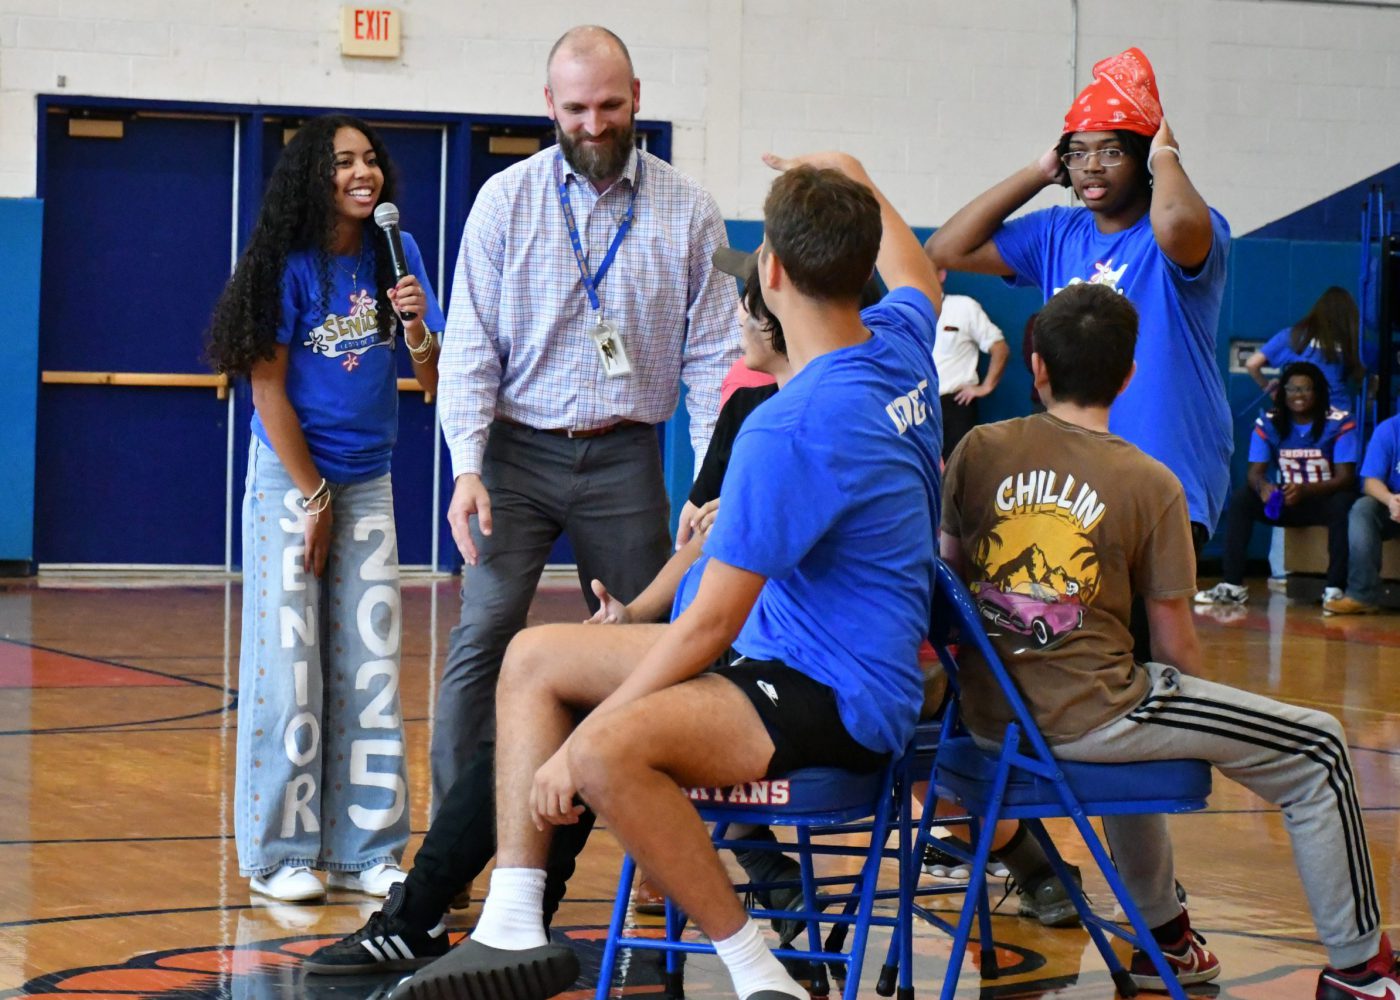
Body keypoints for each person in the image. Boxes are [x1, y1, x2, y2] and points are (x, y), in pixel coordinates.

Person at [389, 152, 943, 1000]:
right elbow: (920, 272)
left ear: (773, 270)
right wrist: (861, 177)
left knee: (609, 753)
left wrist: (579, 742)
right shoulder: (906, 349)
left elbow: (708, 629)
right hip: (812, 664)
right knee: (536, 656)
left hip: (836, 698)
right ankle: (509, 923)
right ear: (859, 267)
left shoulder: (786, 427)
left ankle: (761, 977)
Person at [302, 252, 793, 975]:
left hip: (741, 656)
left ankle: (443, 913)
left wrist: (652, 641)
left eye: (745, 306)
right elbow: (701, 544)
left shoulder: (801, 425)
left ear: (779, 313)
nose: (736, 319)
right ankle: (475, 912)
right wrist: (635, 613)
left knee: (564, 698)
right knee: (540, 682)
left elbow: (723, 608)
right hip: (683, 628)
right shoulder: (748, 409)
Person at [942, 282, 1393, 997]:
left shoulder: (976, 449)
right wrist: (1200, 714)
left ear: (1036, 366)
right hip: (1086, 716)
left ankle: (1165, 943)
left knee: (1142, 708)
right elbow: (1177, 646)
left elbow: (949, 577)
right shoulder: (1150, 481)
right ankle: (1363, 970)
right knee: (1320, 747)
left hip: (993, 720)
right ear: (1129, 374)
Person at [433, 25, 738, 803]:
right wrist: (467, 467)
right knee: (485, 636)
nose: (594, 125)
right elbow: (469, 346)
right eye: (575, 109)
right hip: (514, 455)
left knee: (655, 643)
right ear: (549, 106)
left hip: (624, 459)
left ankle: (662, 855)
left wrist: (710, 484)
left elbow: (712, 360)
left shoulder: (690, 212)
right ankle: (451, 855)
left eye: (609, 105)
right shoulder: (504, 203)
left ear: (637, 99)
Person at [206, 114, 443, 901]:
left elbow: (437, 384)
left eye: (369, 160)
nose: (361, 173)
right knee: (291, 676)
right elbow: (266, 388)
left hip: (369, 478)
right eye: (342, 162)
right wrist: (312, 496)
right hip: (288, 480)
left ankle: (364, 851)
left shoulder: (396, 253)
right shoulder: (284, 262)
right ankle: (278, 855)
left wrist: (415, 327)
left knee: (369, 671)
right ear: (314, 176)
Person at [925, 47, 1231, 616]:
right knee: (1081, 642)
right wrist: (1040, 172)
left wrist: (1165, 153)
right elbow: (945, 248)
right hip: (1079, 481)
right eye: (1078, 153)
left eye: (1112, 151)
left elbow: (1174, 226)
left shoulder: (1190, 228)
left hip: (1167, 471)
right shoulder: (1056, 233)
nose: (1091, 166)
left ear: (1142, 158)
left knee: (1142, 640)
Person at [1196, 362, 1358, 606]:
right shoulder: (1269, 421)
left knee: (1343, 503)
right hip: (1288, 499)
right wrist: (1264, 487)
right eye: (1292, 389)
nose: (1298, 396)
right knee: (1242, 499)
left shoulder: (1339, 421)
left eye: (1305, 389)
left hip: (1323, 499)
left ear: (1318, 392)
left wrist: (1305, 490)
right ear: (1283, 392)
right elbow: (1255, 472)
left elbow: (1345, 478)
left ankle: (1335, 588)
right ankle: (1232, 585)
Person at [1324, 412, 1400, 615]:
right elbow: (1369, 481)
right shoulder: (1389, 429)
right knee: (1363, 508)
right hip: (1394, 507)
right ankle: (1361, 595)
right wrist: (1390, 500)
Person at [932, 269, 1009, 457]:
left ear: (941, 273)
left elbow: (1000, 348)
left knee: (958, 474)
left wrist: (985, 387)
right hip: (916, 408)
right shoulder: (904, 313)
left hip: (954, 406)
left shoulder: (963, 307)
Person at [1246, 287, 1365, 407]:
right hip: (1338, 412)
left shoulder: (1292, 336)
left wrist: (1268, 388)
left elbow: (1252, 364)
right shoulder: (1354, 342)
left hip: (1300, 412)